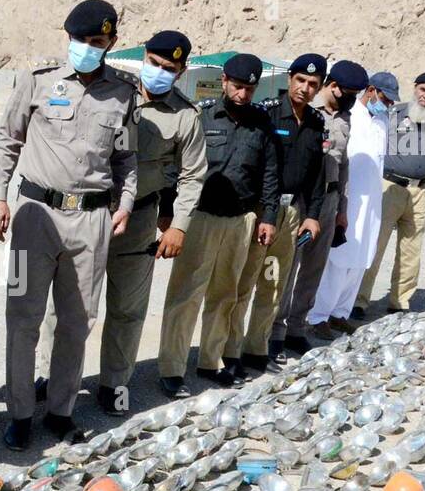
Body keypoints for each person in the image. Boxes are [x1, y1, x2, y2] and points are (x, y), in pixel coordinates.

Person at [0, 0, 138, 450]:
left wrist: (126, 201)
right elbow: (7, 140)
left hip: (91, 220)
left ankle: (60, 409)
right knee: (23, 318)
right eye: (82, 40)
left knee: (78, 321)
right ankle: (19, 412)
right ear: (68, 38)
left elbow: (126, 157)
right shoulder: (36, 81)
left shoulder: (123, 93)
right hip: (35, 217)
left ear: (110, 43)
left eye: (99, 42)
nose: (89, 49)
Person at [35, 30, 206, 416]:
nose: (159, 72)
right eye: (155, 63)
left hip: (140, 220)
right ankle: (49, 374)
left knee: (127, 309)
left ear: (181, 72)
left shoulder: (185, 116)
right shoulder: (114, 91)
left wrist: (178, 224)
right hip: (90, 213)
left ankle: (115, 384)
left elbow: (193, 175)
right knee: (66, 302)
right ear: (144, 56)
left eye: (169, 68)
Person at [156, 53, 279, 392]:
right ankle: (171, 369)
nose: (243, 95)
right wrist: (167, 210)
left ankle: (211, 361)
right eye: (238, 87)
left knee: (225, 294)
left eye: (249, 89)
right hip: (201, 219)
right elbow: (175, 165)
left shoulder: (262, 123)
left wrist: (268, 217)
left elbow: (270, 174)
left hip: (240, 221)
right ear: (224, 81)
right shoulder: (202, 115)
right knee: (186, 295)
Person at [227, 53, 327, 373]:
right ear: (289, 80)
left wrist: (312, 214)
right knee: (244, 284)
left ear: (320, 87)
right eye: (300, 80)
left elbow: (316, 176)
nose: (305, 88)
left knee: (274, 284)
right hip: (261, 211)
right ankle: (229, 351)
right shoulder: (266, 114)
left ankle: (258, 349)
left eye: (313, 84)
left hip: (292, 214)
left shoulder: (315, 123)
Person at [282, 60, 368, 353]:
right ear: (332, 86)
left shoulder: (345, 118)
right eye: (349, 92)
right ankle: (274, 330)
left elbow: (342, 165)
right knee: (288, 266)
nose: (353, 98)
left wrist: (342, 208)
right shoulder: (307, 111)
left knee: (313, 268)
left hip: (329, 204)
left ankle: (296, 327)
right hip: (303, 203)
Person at [308, 72, 396, 337]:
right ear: (370, 91)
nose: (388, 105)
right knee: (337, 259)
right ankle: (317, 316)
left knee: (359, 260)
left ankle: (340, 313)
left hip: (371, 201)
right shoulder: (351, 116)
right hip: (350, 198)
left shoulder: (381, 121)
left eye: (391, 102)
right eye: (385, 98)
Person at [352, 71, 425, 318]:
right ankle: (359, 299)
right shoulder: (392, 114)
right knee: (375, 244)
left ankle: (400, 300)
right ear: (415, 88)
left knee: (411, 249)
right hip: (389, 187)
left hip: (420, 192)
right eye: (423, 90)